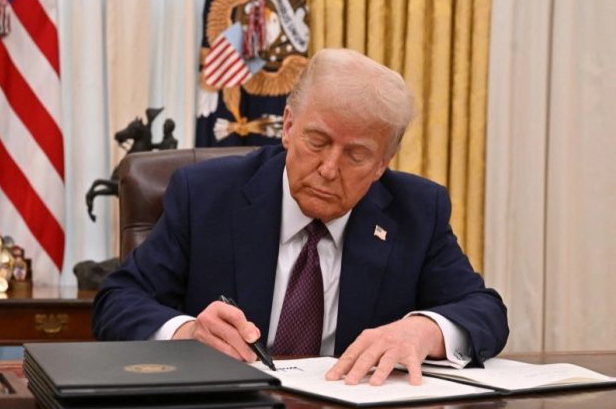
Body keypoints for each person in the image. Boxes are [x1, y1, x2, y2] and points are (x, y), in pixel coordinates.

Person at [92, 48, 508, 386]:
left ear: (383, 163)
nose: (329, 168)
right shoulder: (205, 195)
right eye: (317, 141)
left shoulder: (417, 210)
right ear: (288, 127)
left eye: (356, 154)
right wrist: (187, 334)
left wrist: (424, 331)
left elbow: (485, 311)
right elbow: (117, 302)